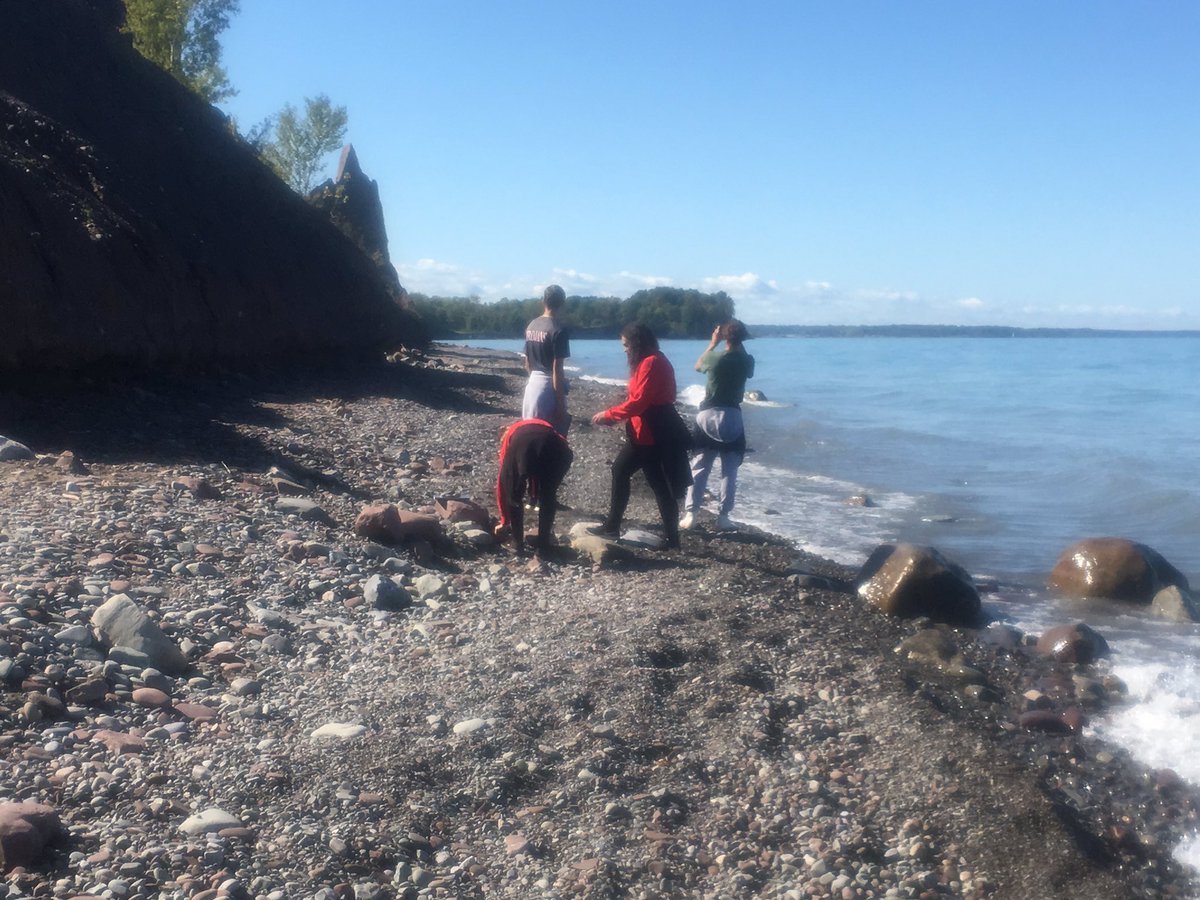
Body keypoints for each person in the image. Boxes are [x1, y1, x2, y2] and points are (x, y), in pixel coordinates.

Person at [590, 323, 692, 549]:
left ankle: (619, 526)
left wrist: (609, 415)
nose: (624, 350)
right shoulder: (648, 361)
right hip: (646, 430)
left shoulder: (652, 362)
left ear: (637, 343)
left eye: (626, 345)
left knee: (653, 482)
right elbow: (638, 400)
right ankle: (618, 526)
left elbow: (639, 403)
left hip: (654, 431)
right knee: (638, 477)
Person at [680, 319, 755, 532]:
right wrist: (737, 340)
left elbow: (697, 366)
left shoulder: (714, 357)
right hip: (732, 416)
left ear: (723, 337)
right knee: (730, 471)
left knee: (700, 466)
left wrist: (712, 343)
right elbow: (748, 369)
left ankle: (690, 514)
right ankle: (723, 517)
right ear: (743, 339)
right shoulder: (747, 360)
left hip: (709, 414)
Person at [495, 418, 573, 557]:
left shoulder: (510, 438)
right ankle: (544, 545)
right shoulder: (544, 426)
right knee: (548, 495)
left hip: (525, 444)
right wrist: (539, 491)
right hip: (558, 449)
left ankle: (517, 544)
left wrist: (504, 520)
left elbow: (503, 483)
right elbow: (562, 447)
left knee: (513, 494)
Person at [522, 285, 571, 434]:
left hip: (532, 386)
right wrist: (561, 405)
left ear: (543, 301)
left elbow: (527, 362)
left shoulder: (532, 325)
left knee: (530, 433)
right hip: (547, 388)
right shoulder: (558, 330)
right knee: (552, 436)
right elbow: (557, 370)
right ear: (562, 303)